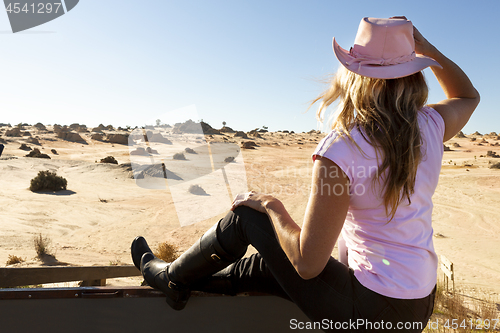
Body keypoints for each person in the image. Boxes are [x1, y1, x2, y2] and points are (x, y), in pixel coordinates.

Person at [131, 17, 479, 332]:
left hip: (370, 312)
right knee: (265, 267)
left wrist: (271, 205)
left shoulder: (343, 148)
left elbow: (307, 264)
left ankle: (171, 278)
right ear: (414, 74)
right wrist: (428, 49)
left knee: (246, 219)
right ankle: (189, 282)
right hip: (419, 303)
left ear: (353, 74)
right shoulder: (430, 125)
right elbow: (468, 95)